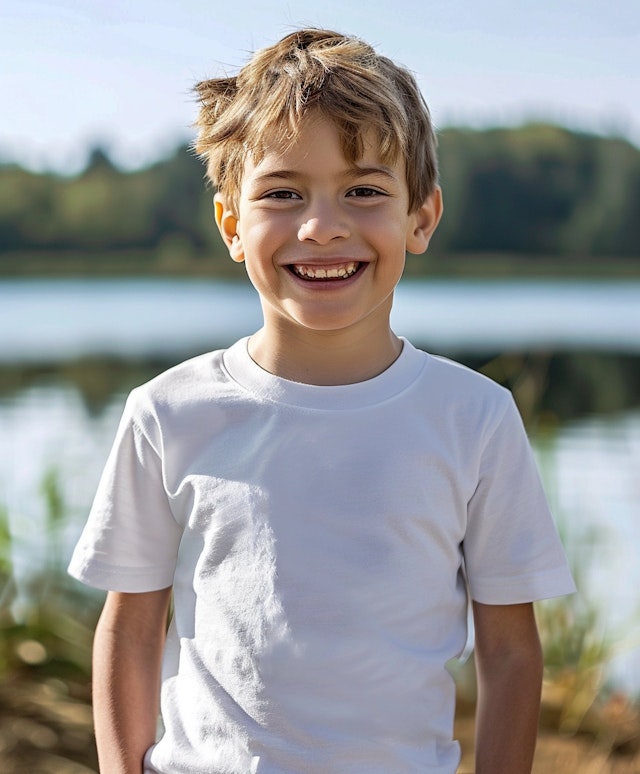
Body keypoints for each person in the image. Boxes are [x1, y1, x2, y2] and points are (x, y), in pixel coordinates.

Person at [69, 28, 576, 774]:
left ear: (422, 218)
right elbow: (131, 631)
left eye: (365, 190)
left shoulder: (474, 418)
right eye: (282, 193)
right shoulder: (168, 413)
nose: (322, 226)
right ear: (233, 226)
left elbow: (507, 651)